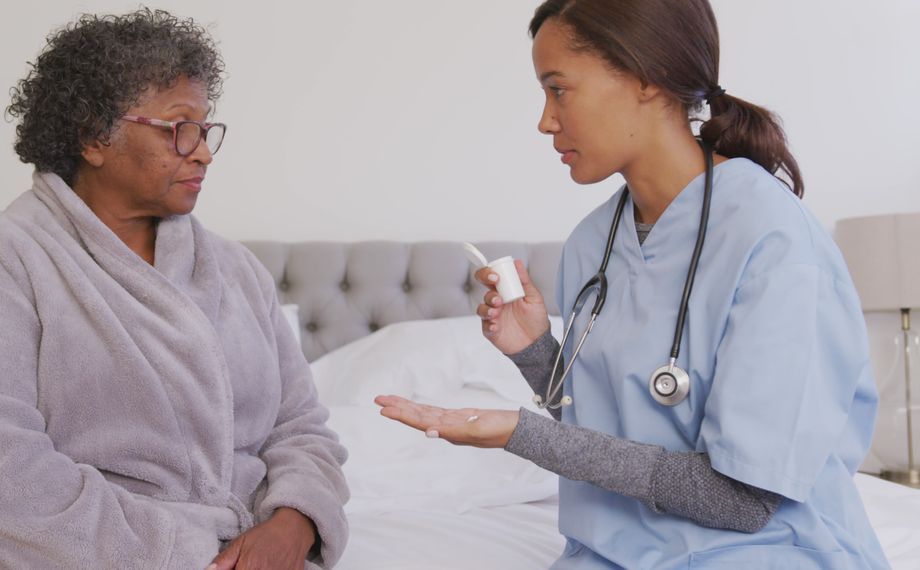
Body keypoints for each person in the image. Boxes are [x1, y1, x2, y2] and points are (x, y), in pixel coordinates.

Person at [376, 0, 890, 568]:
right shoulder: (592, 245)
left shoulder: (776, 243)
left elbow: (743, 501)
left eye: (559, 89)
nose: (545, 120)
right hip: (611, 552)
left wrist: (518, 434)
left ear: (646, 78)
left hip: (767, 552)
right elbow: (605, 430)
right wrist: (535, 352)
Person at [0, 9, 348, 570]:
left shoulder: (237, 271)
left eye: (206, 130)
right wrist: (190, 551)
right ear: (92, 136)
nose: (202, 150)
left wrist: (293, 524)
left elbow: (300, 427)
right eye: (180, 128)